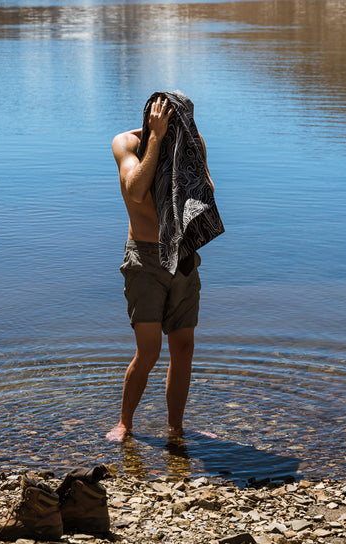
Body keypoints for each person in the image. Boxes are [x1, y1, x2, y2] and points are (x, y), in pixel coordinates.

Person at [106, 94, 216, 443]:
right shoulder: (127, 143)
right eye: (174, 125)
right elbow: (136, 190)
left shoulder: (191, 141)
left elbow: (207, 190)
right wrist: (155, 139)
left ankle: (175, 428)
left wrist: (186, 153)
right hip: (145, 259)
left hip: (181, 255)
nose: (182, 131)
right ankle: (125, 423)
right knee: (150, 350)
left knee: (183, 346)